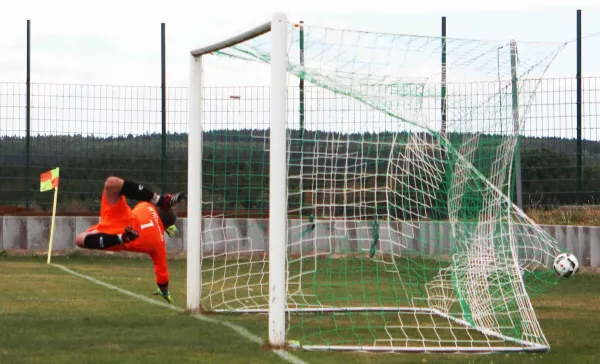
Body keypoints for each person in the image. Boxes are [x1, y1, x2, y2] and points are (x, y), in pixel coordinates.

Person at [75, 176, 186, 304]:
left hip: (121, 216)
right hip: (120, 237)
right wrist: (164, 291)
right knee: (80, 240)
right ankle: (120, 238)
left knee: (112, 183)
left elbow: (150, 211)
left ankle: (159, 200)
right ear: (166, 226)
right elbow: (162, 273)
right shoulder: (159, 243)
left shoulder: (146, 206)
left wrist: (163, 208)